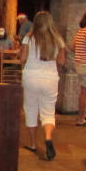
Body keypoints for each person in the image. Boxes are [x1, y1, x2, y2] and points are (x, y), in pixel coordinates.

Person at [20, 11, 66, 160]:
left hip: (31, 77)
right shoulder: (58, 39)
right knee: (48, 112)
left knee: (31, 109)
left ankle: (33, 143)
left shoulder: (29, 37)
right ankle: (48, 137)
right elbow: (61, 62)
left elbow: (22, 58)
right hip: (50, 78)